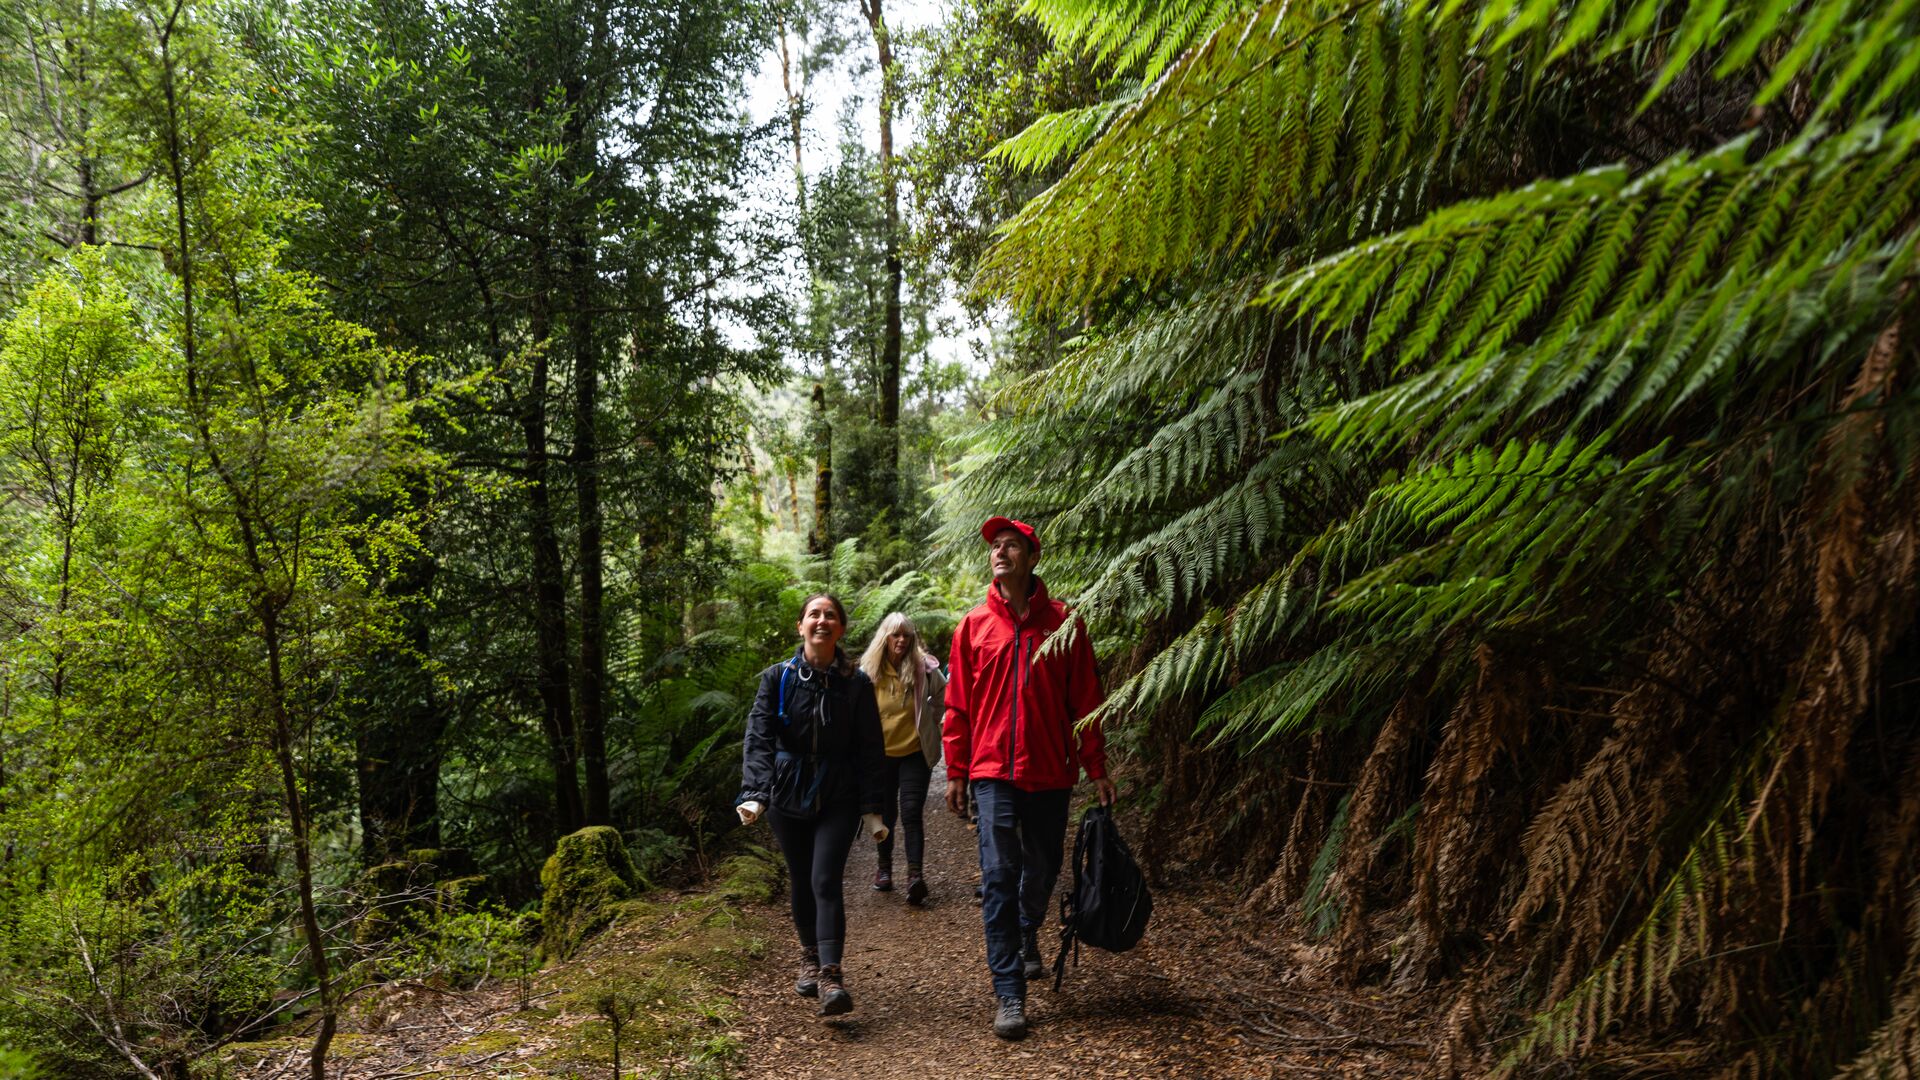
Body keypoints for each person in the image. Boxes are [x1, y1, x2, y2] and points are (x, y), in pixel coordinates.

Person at [943, 516, 1116, 1040]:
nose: (1000, 552)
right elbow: (957, 707)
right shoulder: (973, 626)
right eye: (995, 546)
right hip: (992, 771)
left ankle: (1026, 932)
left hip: (1049, 771)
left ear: (1031, 557)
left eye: (1011, 545)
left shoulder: (1064, 623)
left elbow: (1086, 700)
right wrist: (956, 771)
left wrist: (1097, 767)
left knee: (1039, 872)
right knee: (999, 874)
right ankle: (1009, 991)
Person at [736, 593, 889, 1016]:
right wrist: (755, 794)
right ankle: (808, 956)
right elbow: (759, 739)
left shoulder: (856, 684)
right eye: (814, 615)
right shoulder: (776, 679)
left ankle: (830, 975)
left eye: (831, 616)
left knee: (825, 879)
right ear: (801, 626)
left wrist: (871, 806)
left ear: (841, 628)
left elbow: (870, 749)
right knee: (801, 878)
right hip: (786, 796)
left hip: (837, 795)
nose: (822, 621)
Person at [856, 612, 947, 904]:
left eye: (907, 635)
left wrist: (931, 723)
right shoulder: (868, 672)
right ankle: (884, 870)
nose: (901, 640)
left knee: (910, 812)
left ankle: (915, 876)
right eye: (896, 635)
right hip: (879, 756)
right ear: (885, 637)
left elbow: (945, 698)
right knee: (885, 816)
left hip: (914, 754)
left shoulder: (924, 670)